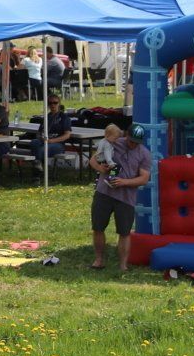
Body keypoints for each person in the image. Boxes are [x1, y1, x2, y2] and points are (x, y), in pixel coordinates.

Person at [88, 115, 153, 272]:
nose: (133, 145)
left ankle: (123, 265)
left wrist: (125, 183)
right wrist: (100, 168)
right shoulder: (114, 142)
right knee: (98, 227)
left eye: (137, 143)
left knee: (124, 232)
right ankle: (99, 260)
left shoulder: (144, 154)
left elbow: (144, 179)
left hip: (126, 198)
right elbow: (93, 160)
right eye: (131, 141)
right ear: (126, 136)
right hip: (104, 192)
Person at [29, 94, 72, 164]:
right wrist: (40, 137)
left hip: (58, 144)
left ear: (59, 104)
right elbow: (39, 132)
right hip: (45, 141)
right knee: (34, 142)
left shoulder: (64, 117)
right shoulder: (46, 117)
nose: (53, 105)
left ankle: (37, 166)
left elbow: (67, 135)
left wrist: (52, 141)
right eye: (50, 103)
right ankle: (38, 165)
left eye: (55, 103)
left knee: (42, 150)